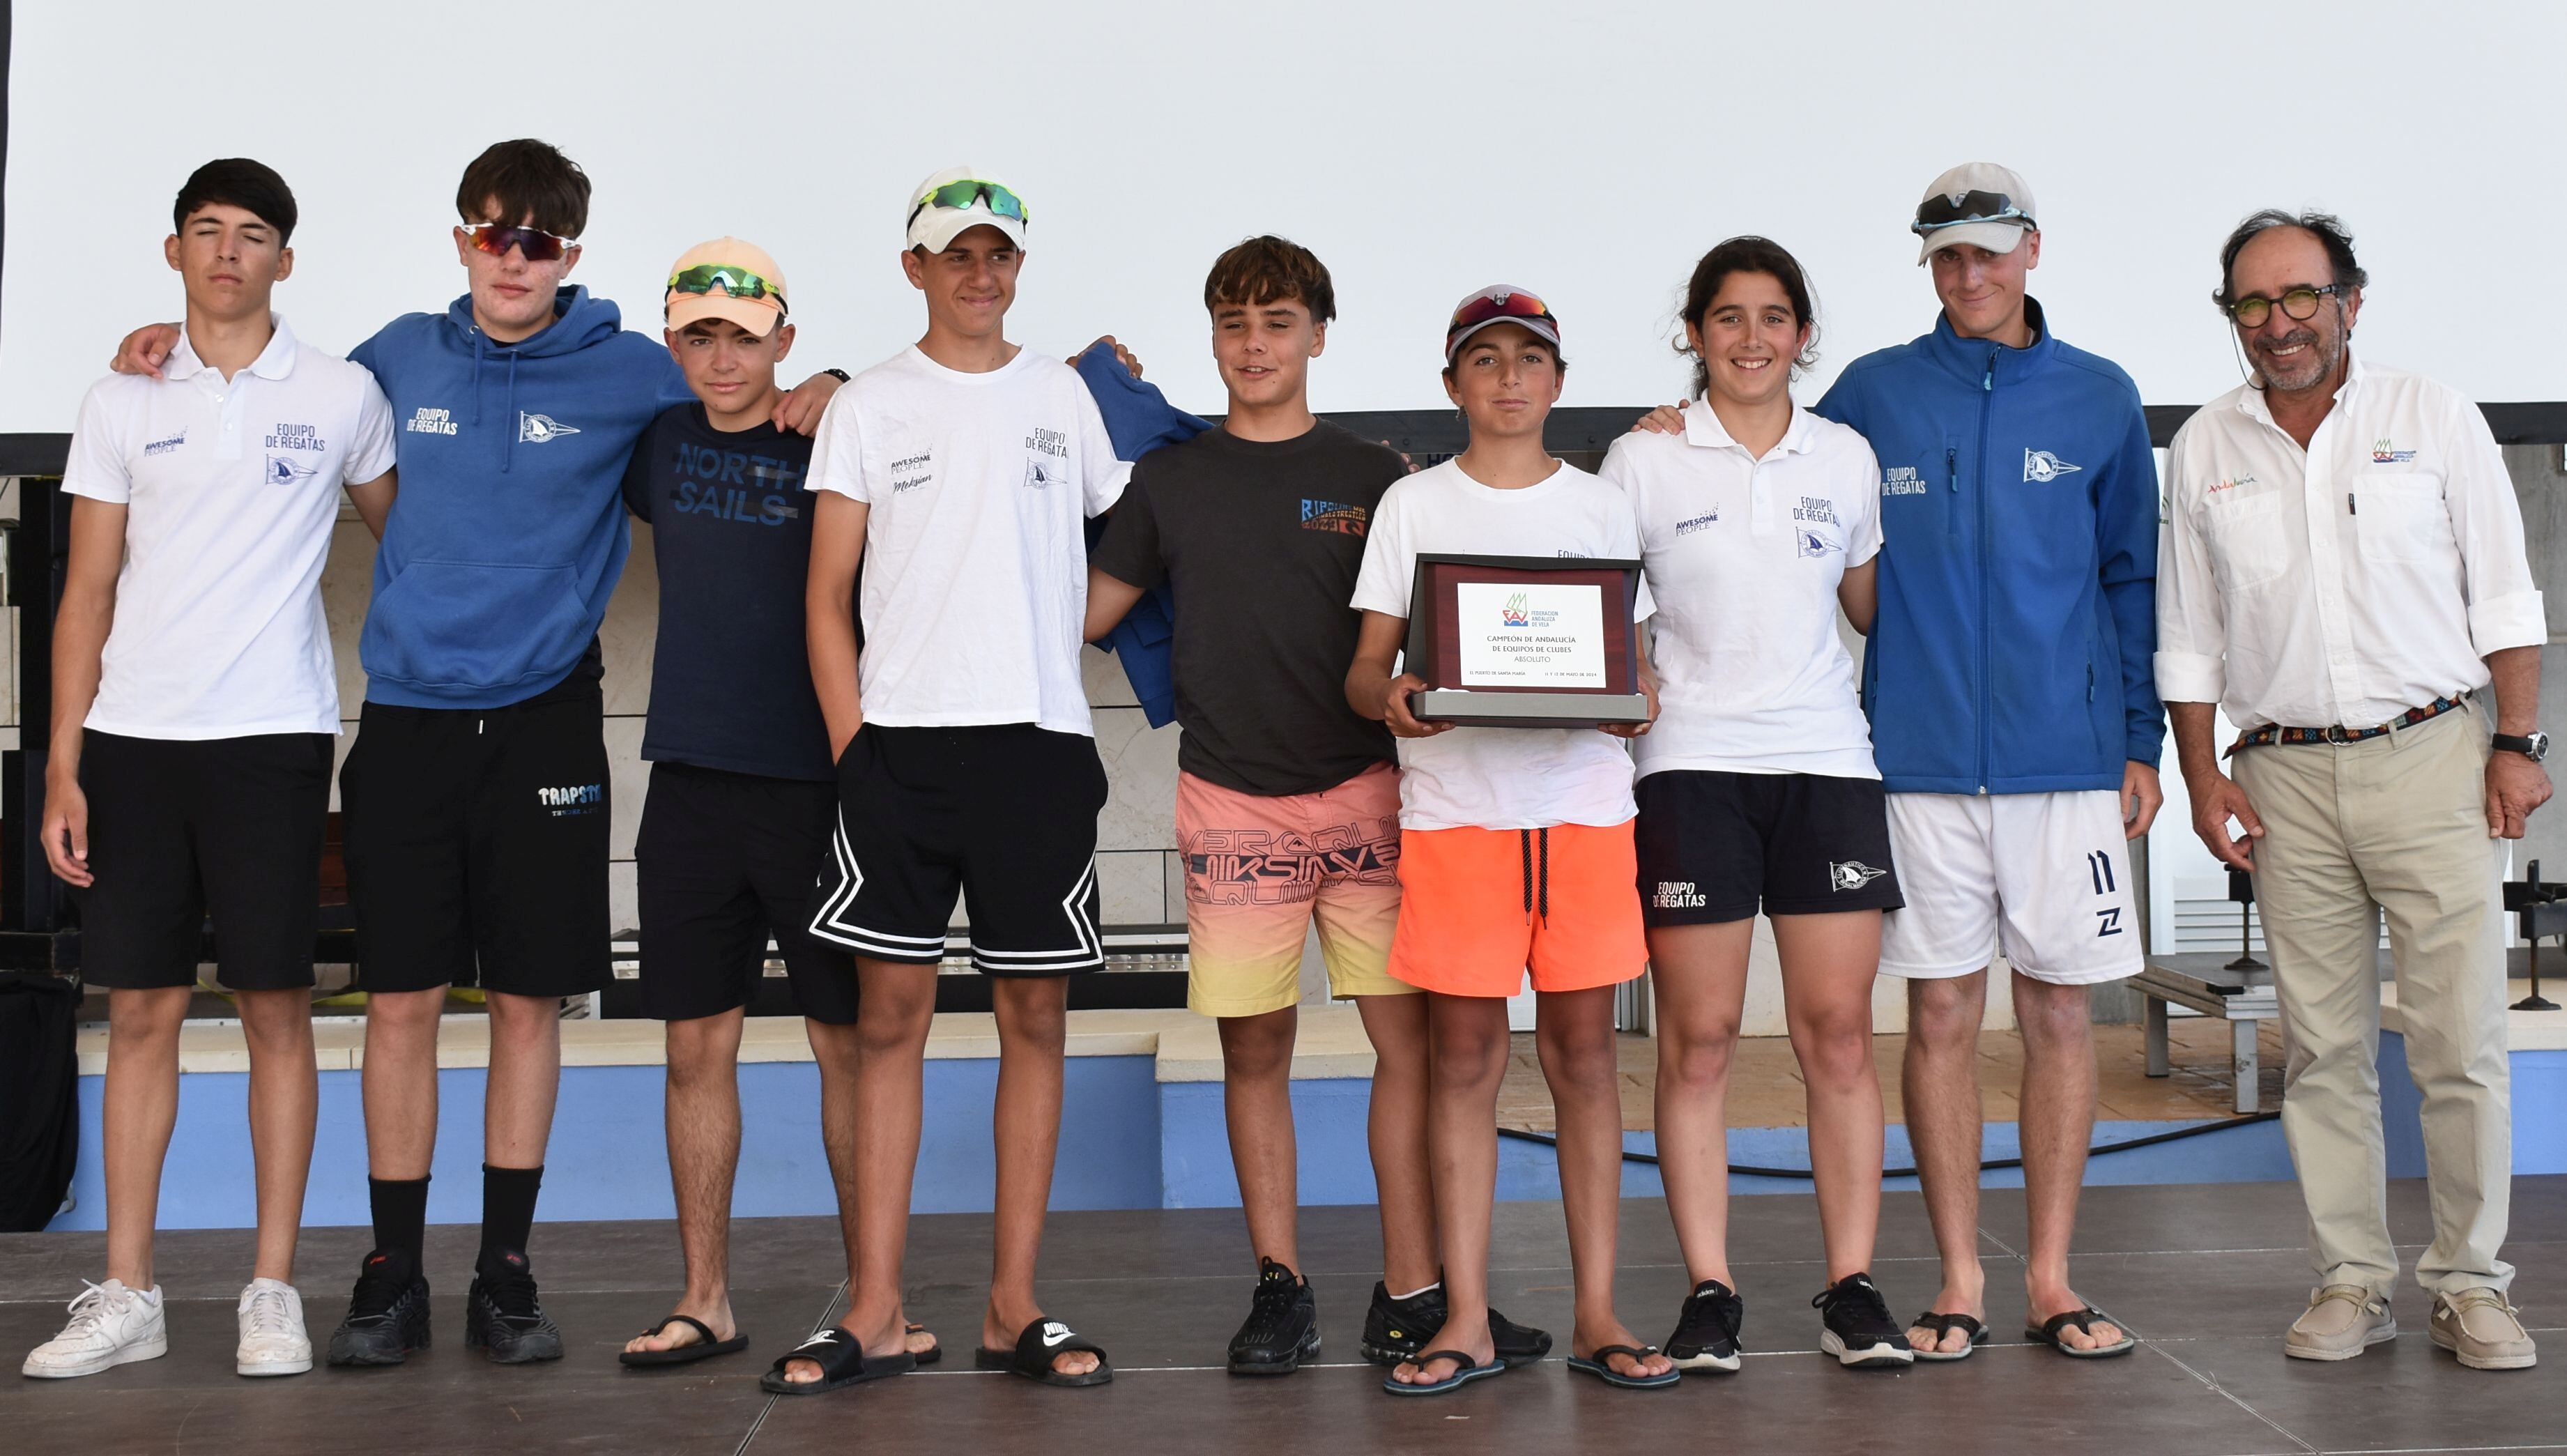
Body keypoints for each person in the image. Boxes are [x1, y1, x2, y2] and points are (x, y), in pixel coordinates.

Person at [100, 139, 845, 1370]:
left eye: (540, 241)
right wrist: (163, 341)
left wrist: (820, 379)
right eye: (494, 235)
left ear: (571, 257)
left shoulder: (634, 373)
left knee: (525, 1004)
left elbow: (741, 383)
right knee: (398, 1003)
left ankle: (507, 1271)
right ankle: (393, 1274)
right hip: (408, 723)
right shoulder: (393, 357)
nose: (515, 259)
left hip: (550, 721)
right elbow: (266, 371)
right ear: (461, 242)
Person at [1645, 164, 2163, 1358]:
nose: (1969, 275)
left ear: (2032, 250)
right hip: (1914, 761)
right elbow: (1759, 443)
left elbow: (2133, 576)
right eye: (1946, 256)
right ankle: (1956, 1283)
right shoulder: (1872, 396)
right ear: (1927, 264)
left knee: (2062, 1019)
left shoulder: (2101, 397)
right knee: (1937, 1015)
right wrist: (1671, 424)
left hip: (2067, 763)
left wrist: (2138, 740)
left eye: (1989, 251)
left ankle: (2049, 1276)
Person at [1085, 237, 1547, 1377]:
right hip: (1232, 800)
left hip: (1369, 796)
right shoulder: (1171, 480)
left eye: (1279, 322)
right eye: (1235, 324)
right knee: (1257, 1051)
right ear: (1212, 338)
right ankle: (1280, 1286)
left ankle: (1412, 1289)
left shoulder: (1374, 475)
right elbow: (1088, 613)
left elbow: (1449, 620)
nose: (1256, 344)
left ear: (1319, 336)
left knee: (1414, 1045)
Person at [21, 160, 395, 1384]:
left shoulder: (343, 394)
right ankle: (128, 1289)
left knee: (277, 1012)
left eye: (253, 236)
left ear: (286, 260)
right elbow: (84, 591)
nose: (228, 252)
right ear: (174, 251)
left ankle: (273, 1287)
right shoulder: (119, 397)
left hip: (273, 742)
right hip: (133, 745)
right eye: (207, 232)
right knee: (138, 1014)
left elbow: (422, 541)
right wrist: (64, 764)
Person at [2159, 210, 2545, 1370]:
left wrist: (2519, 743)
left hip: (2435, 757)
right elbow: (2189, 631)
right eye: (2252, 306)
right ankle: (2353, 1278)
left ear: (2351, 301)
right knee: (2322, 1049)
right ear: (2232, 317)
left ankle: (2473, 1283)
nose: (2278, 325)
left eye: (2300, 298)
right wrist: (2200, 771)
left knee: (2460, 1040)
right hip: (2281, 775)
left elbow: (2507, 597)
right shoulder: (2203, 447)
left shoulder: (2432, 415)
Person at [785, 168, 1131, 1395]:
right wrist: (855, 749)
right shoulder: (869, 404)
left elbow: (1130, 540)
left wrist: (1054, 641)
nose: (978, 275)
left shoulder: (1065, 394)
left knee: (1034, 1018)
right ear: (914, 267)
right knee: (890, 1021)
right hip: (903, 755)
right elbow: (826, 598)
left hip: (1038, 751)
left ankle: (1012, 1304)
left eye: (998, 255)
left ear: (1018, 269)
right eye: (955, 254)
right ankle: (874, 1309)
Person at [607, 240, 937, 1371]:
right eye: (698, 335)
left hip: (815, 786)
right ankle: (707, 1296)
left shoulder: (835, 431)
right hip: (690, 781)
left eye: (743, 336)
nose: (721, 356)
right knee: (696, 1043)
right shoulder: (655, 442)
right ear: (674, 346)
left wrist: (842, 381)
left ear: (784, 342)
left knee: (843, 1044)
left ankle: (871, 1299)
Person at [1349, 286, 1676, 1396]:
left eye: (1527, 359)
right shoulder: (1413, 506)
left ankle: (1596, 1310)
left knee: (1586, 1058)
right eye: (1482, 361)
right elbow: (1366, 668)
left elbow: (1632, 670)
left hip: (1584, 812)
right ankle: (1472, 1318)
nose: (1506, 378)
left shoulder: (1601, 507)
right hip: (1458, 818)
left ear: (1558, 381)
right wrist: (1394, 696)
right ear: (1452, 386)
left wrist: (1640, 696)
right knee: (1468, 1063)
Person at [1600, 238, 1910, 1372]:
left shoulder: (1848, 457)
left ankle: (1852, 1286)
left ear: (1802, 335)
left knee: (1837, 1034)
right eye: (1727, 318)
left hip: (1829, 764)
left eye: (1774, 317)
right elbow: (1609, 617)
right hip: (1689, 768)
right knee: (1703, 1038)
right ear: (1694, 332)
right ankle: (1711, 1293)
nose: (1751, 339)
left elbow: (1868, 603)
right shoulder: (1642, 461)